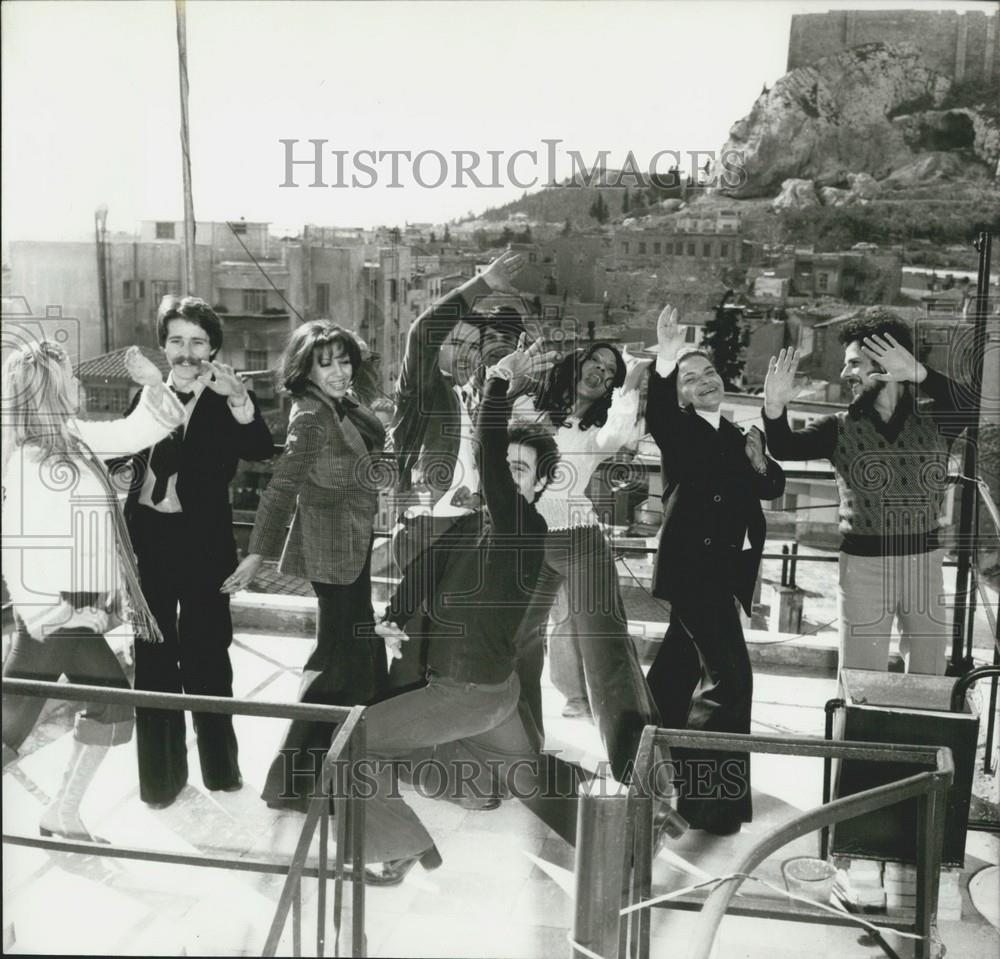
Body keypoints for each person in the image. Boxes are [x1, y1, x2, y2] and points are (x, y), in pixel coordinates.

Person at [332, 338, 594, 884]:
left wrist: (498, 381)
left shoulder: (524, 528)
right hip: (493, 694)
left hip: (469, 692)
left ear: (541, 483)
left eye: (521, 471)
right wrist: (394, 618)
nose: (508, 477)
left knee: (353, 746)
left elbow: (490, 455)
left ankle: (401, 847)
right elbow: (425, 566)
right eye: (508, 470)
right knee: (527, 778)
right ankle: (637, 820)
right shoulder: (479, 525)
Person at [1, 339, 185, 840]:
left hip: (73, 612)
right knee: (110, 700)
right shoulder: (32, 461)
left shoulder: (73, 438)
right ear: (48, 392)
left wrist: (154, 384)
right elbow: (16, 545)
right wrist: (47, 614)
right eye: (70, 379)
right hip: (55, 616)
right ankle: (63, 811)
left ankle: (62, 811)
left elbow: (135, 431)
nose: (80, 384)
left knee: (12, 724)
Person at [226, 322, 389, 810]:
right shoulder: (310, 418)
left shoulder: (345, 402)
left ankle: (342, 769)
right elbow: (280, 489)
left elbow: (367, 444)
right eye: (327, 363)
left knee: (355, 657)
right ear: (306, 369)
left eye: (345, 360)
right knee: (333, 664)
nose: (340, 372)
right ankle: (292, 785)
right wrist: (256, 553)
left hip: (355, 544)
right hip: (332, 552)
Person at [120, 296, 275, 808]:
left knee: (209, 657)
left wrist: (238, 401)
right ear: (163, 346)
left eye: (197, 343)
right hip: (148, 542)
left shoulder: (223, 398)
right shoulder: (145, 395)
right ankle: (161, 781)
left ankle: (221, 772)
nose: (186, 353)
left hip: (204, 546)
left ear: (213, 349)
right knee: (154, 657)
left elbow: (259, 449)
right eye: (177, 341)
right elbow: (124, 455)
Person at [762, 309, 969, 675]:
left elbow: (975, 405)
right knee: (861, 677)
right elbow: (783, 448)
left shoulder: (936, 420)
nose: (845, 374)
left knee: (931, 674)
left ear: (888, 364)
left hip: (925, 565)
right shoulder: (837, 428)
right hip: (862, 568)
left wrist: (919, 373)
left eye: (854, 363)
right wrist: (775, 407)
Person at [643, 305, 785, 835]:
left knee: (675, 677)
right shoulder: (676, 428)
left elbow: (769, 487)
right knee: (730, 680)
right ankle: (709, 807)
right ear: (679, 392)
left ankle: (640, 764)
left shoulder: (732, 431)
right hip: (693, 572)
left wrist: (759, 461)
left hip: (721, 574)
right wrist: (665, 353)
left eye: (709, 374)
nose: (703, 382)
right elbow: (655, 411)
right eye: (690, 378)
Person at [507, 341, 661, 784]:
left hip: (579, 542)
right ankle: (521, 751)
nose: (599, 371)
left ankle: (638, 768)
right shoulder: (526, 405)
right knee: (516, 644)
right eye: (594, 360)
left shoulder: (601, 428)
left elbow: (617, 435)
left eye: (609, 371)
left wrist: (632, 378)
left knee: (605, 652)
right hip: (527, 541)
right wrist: (511, 374)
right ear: (576, 362)